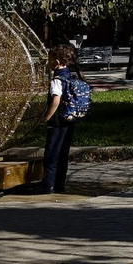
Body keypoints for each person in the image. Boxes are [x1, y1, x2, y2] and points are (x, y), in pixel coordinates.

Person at [39, 43, 89, 194]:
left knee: (51, 156)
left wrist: (46, 117)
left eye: (50, 59)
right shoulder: (70, 77)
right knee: (63, 154)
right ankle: (60, 184)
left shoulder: (57, 80)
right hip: (69, 121)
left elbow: (56, 100)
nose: (48, 62)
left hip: (57, 122)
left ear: (57, 61)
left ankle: (49, 186)